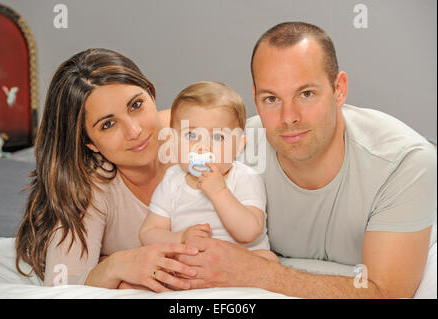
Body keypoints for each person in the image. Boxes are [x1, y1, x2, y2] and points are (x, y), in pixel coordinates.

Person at [175, 22, 437, 298]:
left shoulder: (404, 163)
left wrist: (257, 272)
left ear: (339, 89)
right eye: (272, 98)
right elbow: (154, 129)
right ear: (254, 97)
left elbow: (386, 292)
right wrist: (125, 263)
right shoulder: (232, 145)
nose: (289, 117)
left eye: (306, 94)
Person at [15, 48, 199, 292]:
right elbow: (61, 287)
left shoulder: (193, 134)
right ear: (89, 142)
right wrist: (115, 266)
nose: (135, 131)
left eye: (136, 105)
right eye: (108, 124)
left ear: (151, 95)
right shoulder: (90, 185)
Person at [139, 81, 278, 262]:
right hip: (192, 260)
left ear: (238, 146)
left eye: (218, 137)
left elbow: (249, 232)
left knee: (267, 259)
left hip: (239, 262)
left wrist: (219, 192)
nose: (202, 146)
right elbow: (148, 234)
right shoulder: (172, 180)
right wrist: (181, 239)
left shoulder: (245, 178)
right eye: (191, 135)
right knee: (157, 264)